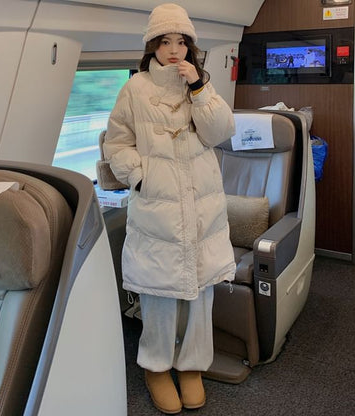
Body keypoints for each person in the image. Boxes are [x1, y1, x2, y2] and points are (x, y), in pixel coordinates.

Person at [104, 3, 236, 414]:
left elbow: (220, 132)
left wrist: (198, 88)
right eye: (165, 42)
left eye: (181, 42)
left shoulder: (201, 83)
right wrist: (140, 175)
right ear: (153, 46)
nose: (174, 50)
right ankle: (156, 367)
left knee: (201, 293)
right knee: (158, 295)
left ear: (190, 46)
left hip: (202, 204)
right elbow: (117, 142)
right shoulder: (135, 89)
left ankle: (192, 365)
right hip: (157, 206)